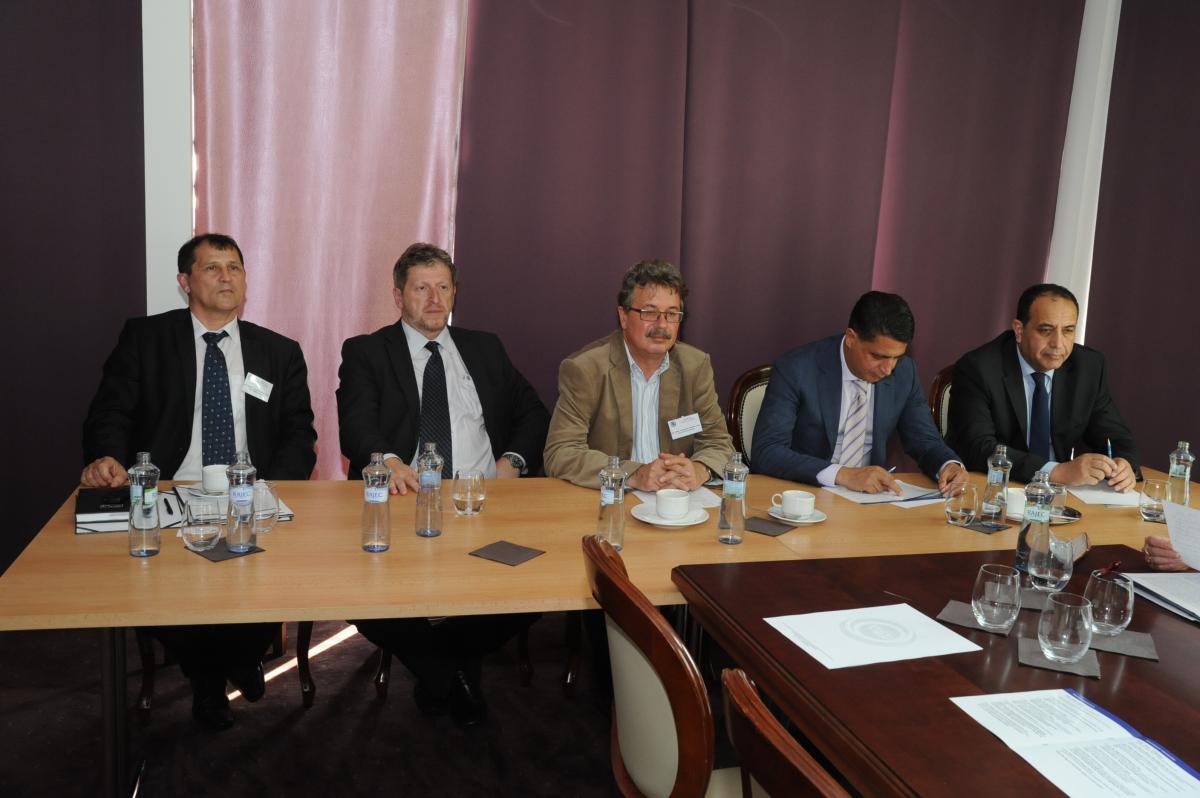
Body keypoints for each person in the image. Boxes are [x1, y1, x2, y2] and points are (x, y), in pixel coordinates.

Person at [82, 233, 318, 730]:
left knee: (274, 573)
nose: (226, 277)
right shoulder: (146, 339)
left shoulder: (278, 351)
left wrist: (271, 490)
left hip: (249, 495)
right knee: (156, 584)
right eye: (212, 268)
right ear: (185, 281)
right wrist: (108, 457)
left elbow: (299, 432)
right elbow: (112, 411)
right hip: (169, 492)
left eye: (235, 267)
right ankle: (217, 673)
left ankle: (235, 657)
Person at [336, 242, 547, 726]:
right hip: (404, 504)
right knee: (357, 594)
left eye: (444, 288)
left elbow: (532, 411)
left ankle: (436, 665)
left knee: (539, 585)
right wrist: (389, 460)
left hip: (482, 504)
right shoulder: (368, 352)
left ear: (454, 293)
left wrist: (512, 461)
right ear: (398, 296)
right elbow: (356, 424)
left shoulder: (484, 347)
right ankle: (449, 674)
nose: (435, 299)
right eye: (421, 289)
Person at [543, 259, 734, 490]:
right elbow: (561, 452)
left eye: (672, 314)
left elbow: (719, 443)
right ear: (623, 317)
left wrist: (700, 469)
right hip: (613, 498)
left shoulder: (695, 366)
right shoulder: (586, 369)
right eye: (650, 312)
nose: (662, 325)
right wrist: (633, 474)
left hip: (676, 500)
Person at [751, 291, 966, 495]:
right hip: (806, 495)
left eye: (897, 358)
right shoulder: (797, 369)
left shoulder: (905, 373)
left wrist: (948, 465)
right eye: (878, 356)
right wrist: (842, 475)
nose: (888, 369)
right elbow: (767, 451)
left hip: (869, 502)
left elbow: (924, 440)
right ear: (851, 338)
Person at [946, 283, 1138, 489]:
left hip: (1063, 494)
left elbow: (1115, 436)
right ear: (1019, 330)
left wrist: (1123, 463)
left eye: (1068, 331)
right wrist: (1055, 472)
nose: (1058, 343)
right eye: (1046, 330)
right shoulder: (979, 368)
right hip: (999, 490)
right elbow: (979, 448)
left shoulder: (1088, 367)